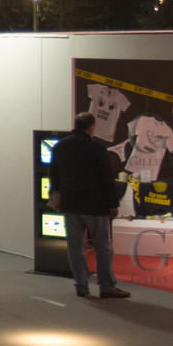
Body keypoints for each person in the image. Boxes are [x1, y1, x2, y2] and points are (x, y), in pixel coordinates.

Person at [52, 111, 130, 299]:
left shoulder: (60, 147)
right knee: (103, 247)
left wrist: (56, 197)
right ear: (91, 127)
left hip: (70, 205)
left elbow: (54, 175)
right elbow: (106, 179)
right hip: (96, 206)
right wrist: (113, 204)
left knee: (75, 247)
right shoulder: (97, 149)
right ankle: (106, 286)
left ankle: (81, 286)